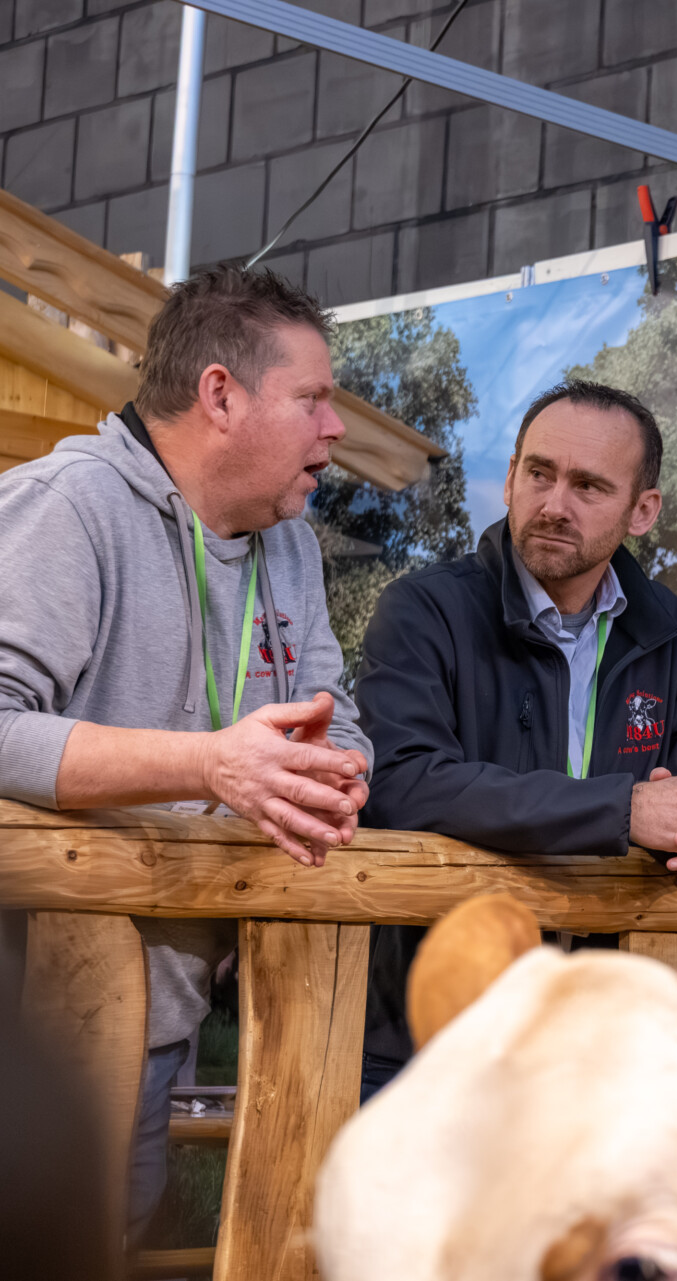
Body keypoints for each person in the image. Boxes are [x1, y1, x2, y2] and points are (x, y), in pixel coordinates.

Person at [0, 266, 373, 1241]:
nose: (335, 427)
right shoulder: (67, 506)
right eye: (312, 399)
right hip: (27, 1041)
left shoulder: (291, 547)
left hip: (161, 1024)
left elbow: (340, 721)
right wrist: (213, 765)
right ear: (220, 395)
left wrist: (330, 778)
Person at [354, 379, 677, 1094]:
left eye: (588, 486)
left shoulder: (666, 626)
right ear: (510, 477)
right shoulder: (424, 609)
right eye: (539, 473)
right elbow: (400, 782)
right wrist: (625, 812)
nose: (553, 504)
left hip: (598, 1053)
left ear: (643, 510)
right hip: (429, 1039)